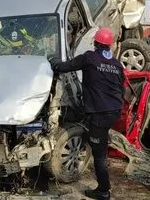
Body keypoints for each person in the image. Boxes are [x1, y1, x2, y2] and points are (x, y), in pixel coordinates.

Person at [49, 27, 125, 200]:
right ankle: (94, 140)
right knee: (98, 138)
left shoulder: (89, 58)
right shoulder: (116, 64)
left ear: (95, 42)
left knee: (100, 155)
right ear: (110, 45)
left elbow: (62, 67)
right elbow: (121, 88)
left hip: (100, 114)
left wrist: (52, 60)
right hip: (113, 111)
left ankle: (103, 191)